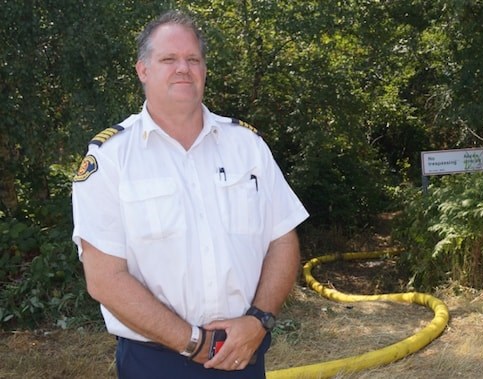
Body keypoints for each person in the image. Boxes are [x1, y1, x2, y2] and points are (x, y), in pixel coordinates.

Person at [71, 10, 309, 378]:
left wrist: (259, 320)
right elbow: (104, 278)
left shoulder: (247, 147)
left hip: (244, 353)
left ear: (204, 71)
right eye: (169, 59)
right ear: (143, 71)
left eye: (192, 59)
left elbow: (282, 239)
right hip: (154, 362)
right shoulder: (110, 159)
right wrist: (193, 341)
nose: (183, 68)